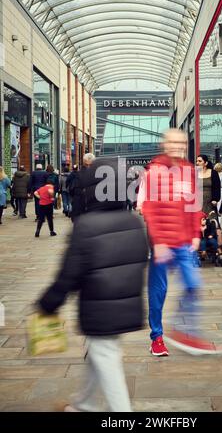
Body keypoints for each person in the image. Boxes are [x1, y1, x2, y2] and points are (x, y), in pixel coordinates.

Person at [36, 157, 148, 412]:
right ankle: (84, 403)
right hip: (127, 303)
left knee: (104, 355)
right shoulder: (133, 222)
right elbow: (141, 260)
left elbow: (69, 274)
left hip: (98, 307)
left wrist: (49, 303)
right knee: (99, 352)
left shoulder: (85, 225)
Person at [141, 129, 222, 356]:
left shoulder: (188, 170)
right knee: (159, 292)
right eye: (173, 142)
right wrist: (157, 242)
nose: (177, 146)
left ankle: (184, 332)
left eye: (181, 142)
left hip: (184, 241)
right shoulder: (155, 170)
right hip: (162, 243)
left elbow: (193, 204)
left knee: (193, 285)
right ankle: (157, 337)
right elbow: (150, 207)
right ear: (165, 144)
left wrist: (196, 233)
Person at [70, 153, 96, 221]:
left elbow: (72, 190)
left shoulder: (78, 175)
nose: (88, 167)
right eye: (87, 165)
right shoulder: (97, 175)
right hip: (92, 210)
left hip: (79, 209)